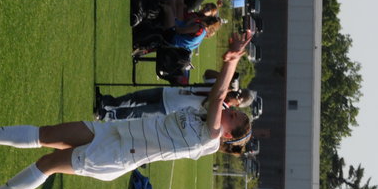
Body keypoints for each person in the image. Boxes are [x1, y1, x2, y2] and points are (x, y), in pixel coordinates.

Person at [0, 32, 254, 189]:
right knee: (46, 134)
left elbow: (219, 97)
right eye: (234, 110)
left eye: (233, 116)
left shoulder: (209, 140)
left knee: (47, 163)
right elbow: (217, 96)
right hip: (115, 131)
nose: (229, 110)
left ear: (228, 136)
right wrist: (228, 65)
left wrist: (231, 61)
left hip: (115, 155)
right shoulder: (206, 113)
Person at [94, 84, 256, 121]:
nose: (236, 93)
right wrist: (225, 82)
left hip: (169, 108)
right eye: (239, 91)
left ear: (237, 105)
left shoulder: (221, 109)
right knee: (135, 97)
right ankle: (107, 101)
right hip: (169, 92)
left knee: (136, 112)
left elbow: (207, 104)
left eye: (239, 96)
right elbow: (207, 74)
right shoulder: (222, 86)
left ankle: (107, 115)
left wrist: (220, 93)